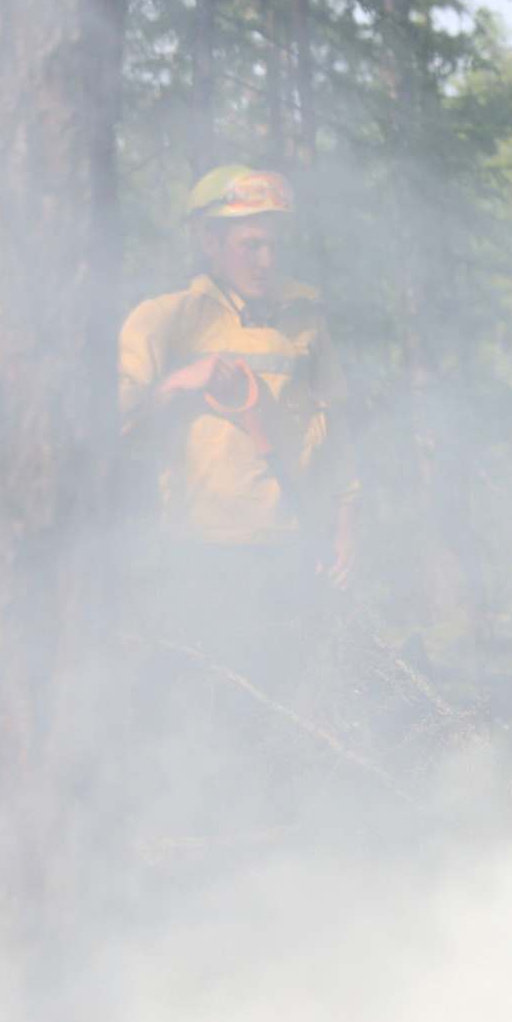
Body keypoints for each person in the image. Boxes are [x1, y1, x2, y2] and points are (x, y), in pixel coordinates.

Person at [118, 165, 360, 679]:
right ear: (209, 240)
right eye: (251, 244)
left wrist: (344, 532)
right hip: (201, 555)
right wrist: (179, 383)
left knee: (296, 710)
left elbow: (336, 427)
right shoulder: (163, 318)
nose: (266, 260)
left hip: (296, 552)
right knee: (207, 710)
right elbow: (117, 425)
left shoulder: (305, 319)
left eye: (274, 245)